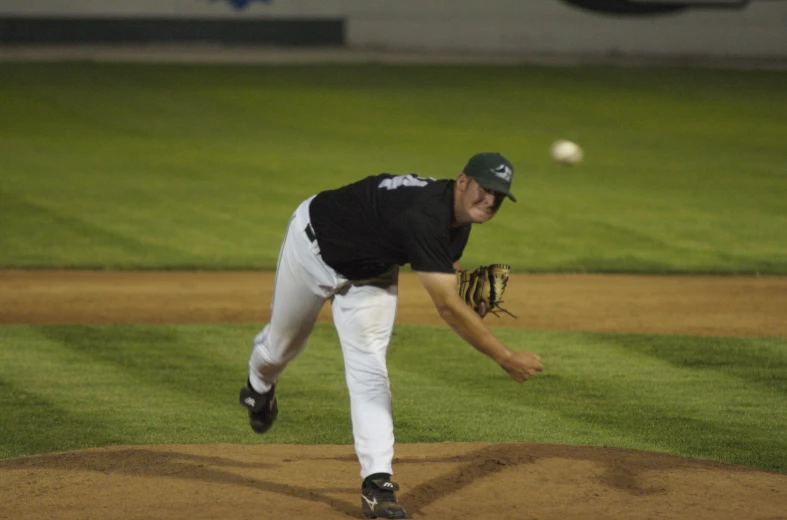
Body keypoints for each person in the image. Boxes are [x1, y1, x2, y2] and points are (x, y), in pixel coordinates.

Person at [239, 152, 544, 519]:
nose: (491, 201)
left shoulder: (457, 215)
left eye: (499, 195)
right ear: (462, 181)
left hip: (372, 275)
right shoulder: (424, 215)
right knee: (281, 347)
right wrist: (506, 357)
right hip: (313, 249)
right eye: (485, 189)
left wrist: (465, 289)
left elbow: (445, 261)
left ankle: (377, 483)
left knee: (369, 367)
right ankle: (258, 385)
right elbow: (446, 307)